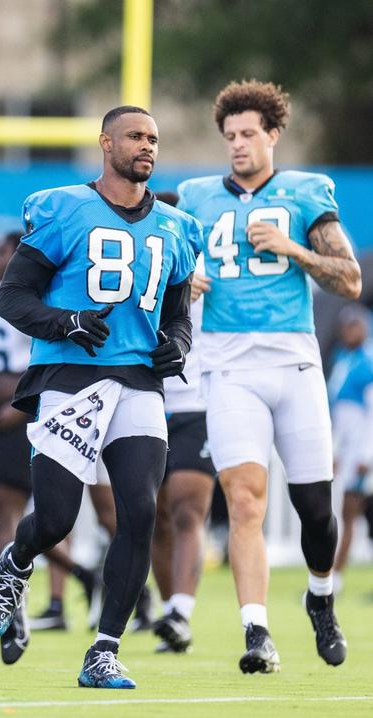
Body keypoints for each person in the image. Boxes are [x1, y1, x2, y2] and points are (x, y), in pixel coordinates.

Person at [0, 106, 200, 689]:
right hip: (70, 380)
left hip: (138, 383)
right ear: (106, 143)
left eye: (153, 138)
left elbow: (178, 318)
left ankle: (104, 649)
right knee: (55, 517)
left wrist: (175, 346)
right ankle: (18, 560)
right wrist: (67, 320)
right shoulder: (64, 208)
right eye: (134, 136)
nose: (146, 146)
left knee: (140, 513)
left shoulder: (176, 228)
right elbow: (13, 299)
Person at [179, 80, 358, 673]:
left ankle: (320, 596)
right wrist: (184, 280)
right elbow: (159, 265)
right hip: (228, 364)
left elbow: (350, 279)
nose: (237, 145)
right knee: (246, 501)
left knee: (315, 508)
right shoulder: (196, 197)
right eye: (229, 136)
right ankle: (257, 633)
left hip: (294, 362)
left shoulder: (306, 192)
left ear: (273, 134)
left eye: (248, 134)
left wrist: (293, 249)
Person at [0, 232, 100, 639]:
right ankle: (8, 598)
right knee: (4, 512)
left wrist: (24, 402)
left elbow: (45, 360)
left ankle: (63, 592)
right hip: (0, 416)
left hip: (33, 409)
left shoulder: (43, 296)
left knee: (49, 511)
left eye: (6, 251)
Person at [147, 192, 215, 654]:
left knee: (188, 510)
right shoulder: (127, 262)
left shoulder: (203, 265)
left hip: (196, 402)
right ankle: (168, 605)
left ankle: (180, 613)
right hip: (143, 401)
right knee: (151, 518)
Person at [329, 306, 373, 582]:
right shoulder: (342, 358)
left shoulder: (367, 362)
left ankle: (336, 578)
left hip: (361, 449)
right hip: (347, 446)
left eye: (353, 326)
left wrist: (366, 455)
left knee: (349, 510)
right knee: (356, 512)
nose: (348, 331)